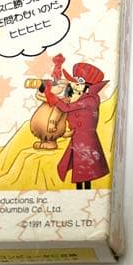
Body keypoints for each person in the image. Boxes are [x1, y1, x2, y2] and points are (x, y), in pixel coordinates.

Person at [44, 62, 110, 190]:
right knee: (80, 167)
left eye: (78, 83)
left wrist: (53, 98)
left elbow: (67, 108)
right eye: (73, 82)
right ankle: (81, 191)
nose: (74, 85)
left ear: (88, 86)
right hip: (78, 137)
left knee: (85, 168)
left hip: (86, 140)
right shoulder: (81, 98)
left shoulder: (90, 100)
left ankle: (85, 191)